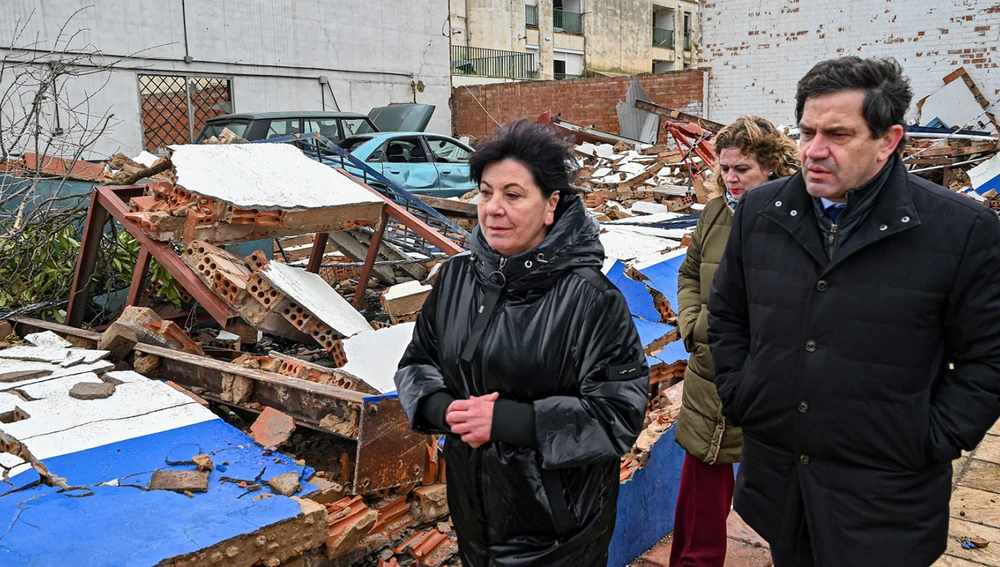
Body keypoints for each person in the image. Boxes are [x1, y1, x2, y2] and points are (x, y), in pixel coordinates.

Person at [707, 55, 1000, 567]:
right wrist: (741, 392)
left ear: (888, 140)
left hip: (884, 496)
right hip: (782, 482)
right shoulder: (761, 211)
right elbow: (729, 315)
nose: (813, 152)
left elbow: (990, 358)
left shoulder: (961, 230)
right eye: (806, 132)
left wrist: (931, 435)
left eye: (838, 135)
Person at [394, 118, 650, 567]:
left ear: (551, 204)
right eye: (486, 192)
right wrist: (442, 409)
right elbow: (418, 362)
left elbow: (618, 414)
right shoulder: (456, 279)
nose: (493, 208)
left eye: (513, 195)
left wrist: (510, 421)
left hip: (558, 530)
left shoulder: (590, 299)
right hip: (475, 516)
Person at [671, 116, 800, 567]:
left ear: (771, 167)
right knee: (702, 479)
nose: (730, 178)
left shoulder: (789, 218)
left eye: (741, 169)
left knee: (786, 491)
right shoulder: (715, 212)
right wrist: (693, 324)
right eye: (725, 169)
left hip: (761, 371)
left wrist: (711, 327)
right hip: (709, 369)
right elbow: (689, 273)